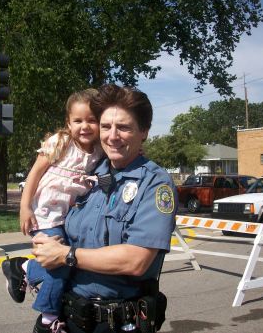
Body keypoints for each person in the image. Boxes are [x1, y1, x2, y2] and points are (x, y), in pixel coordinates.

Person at [32, 84, 178, 333]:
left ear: (143, 131)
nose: (112, 136)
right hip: (68, 317)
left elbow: (136, 260)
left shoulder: (155, 183)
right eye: (106, 126)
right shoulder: (88, 176)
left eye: (123, 127)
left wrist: (65, 255)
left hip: (115, 322)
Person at [2, 88, 104, 332]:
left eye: (92, 120)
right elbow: (35, 173)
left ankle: (23, 268)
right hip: (45, 212)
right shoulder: (61, 141)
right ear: (68, 123)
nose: (85, 126)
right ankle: (48, 319)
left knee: (66, 260)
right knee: (61, 265)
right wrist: (24, 207)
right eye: (78, 121)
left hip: (67, 215)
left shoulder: (99, 150)